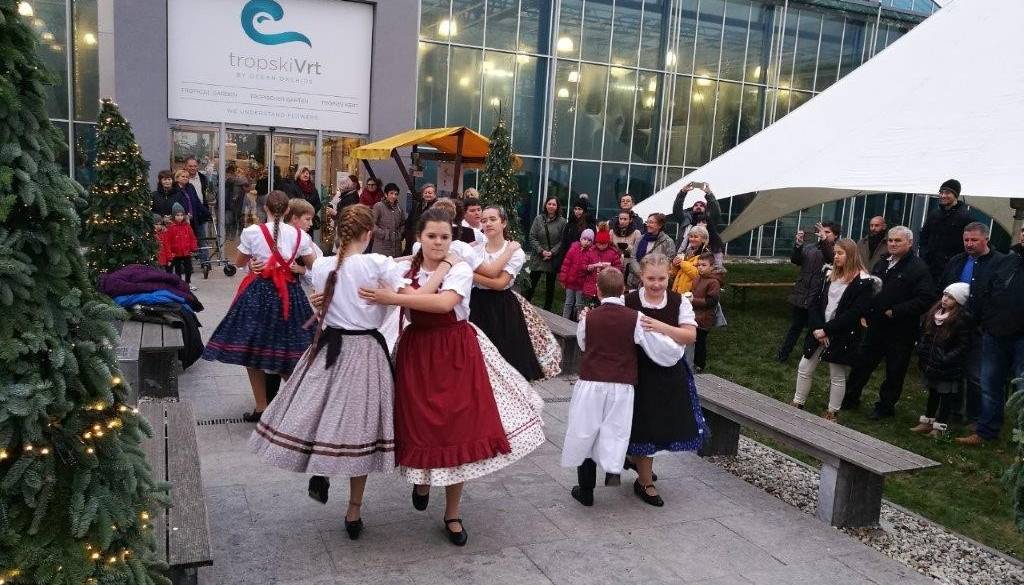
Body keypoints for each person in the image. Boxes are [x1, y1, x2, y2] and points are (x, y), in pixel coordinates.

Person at [358, 207, 545, 546]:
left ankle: (453, 513)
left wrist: (393, 296)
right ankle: (423, 479)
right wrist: (330, 290)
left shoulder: (459, 267)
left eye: (445, 236)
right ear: (419, 238)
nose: (438, 242)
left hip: (454, 351)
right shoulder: (408, 265)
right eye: (431, 236)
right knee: (420, 424)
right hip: (417, 351)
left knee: (458, 429)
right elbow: (362, 273)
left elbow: (444, 304)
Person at [249, 205, 408, 540]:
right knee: (361, 430)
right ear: (369, 234)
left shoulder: (322, 266)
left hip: (328, 348)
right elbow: (406, 294)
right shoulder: (377, 263)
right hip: (365, 350)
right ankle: (353, 509)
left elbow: (324, 295)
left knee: (321, 412)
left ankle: (322, 469)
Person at [561, 267, 685, 507]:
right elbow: (656, 346)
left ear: (597, 290)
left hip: (591, 383)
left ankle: (586, 490)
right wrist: (676, 349)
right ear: (623, 290)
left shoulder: (588, 317)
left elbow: (584, 344)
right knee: (616, 432)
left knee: (585, 431)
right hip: (621, 385)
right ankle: (612, 476)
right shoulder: (635, 318)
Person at [202, 191, 319, 422]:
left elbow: (239, 263)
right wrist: (299, 269)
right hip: (289, 296)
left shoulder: (252, 232)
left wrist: (253, 265)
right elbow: (315, 266)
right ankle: (299, 404)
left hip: (259, 295)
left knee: (252, 351)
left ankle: (261, 406)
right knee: (290, 351)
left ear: (264, 208)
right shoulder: (300, 236)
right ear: (288, 210)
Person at [620, 255, 707, 505]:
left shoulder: (679, 302)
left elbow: (689, 336)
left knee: (659, 424)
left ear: (669, 275)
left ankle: (636, 463)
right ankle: (645, 481)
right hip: (636, 371)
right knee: (642, 425)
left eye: (661, 279)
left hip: (668, 372)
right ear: (641, 277)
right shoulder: (629, 300)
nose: (656, 284)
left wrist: (658, 326)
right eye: (651, 279)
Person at [842, 226, 935, 419]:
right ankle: (850, 398)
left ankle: (885, 407)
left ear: (909, 243)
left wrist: (896, 311)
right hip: (875, 325)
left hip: (901, 330)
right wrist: (865, 311)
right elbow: (872, 288)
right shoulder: (883, 262)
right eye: (890, 240)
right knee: (862, 363)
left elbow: (926, 299)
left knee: (895, 371)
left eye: (897, 241)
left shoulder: (918, 268)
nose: (892, 244)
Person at [791, 239, 875, 421]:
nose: (835, 257)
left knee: (837, 374)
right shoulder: (828, 275)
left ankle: (832, 412)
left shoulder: (863, 282)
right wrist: (817, 328)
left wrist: (827, 330)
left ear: (851, 255)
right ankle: (797, 402)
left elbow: (854, 313)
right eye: (835, 253)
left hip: (841, 334)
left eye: (840, 253)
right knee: (804, 367)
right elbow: (814, 302)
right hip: (819, 330)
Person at [956, 238, 1024, 445]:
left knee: (1021, 388)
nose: (1022, 236)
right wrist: (983, 319)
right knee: (990, 384)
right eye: (1023, 231)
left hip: (1021, 337)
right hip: (995, 332)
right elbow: (986, 289)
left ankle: (1020, 438)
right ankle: (986, 431)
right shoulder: (1008, 261)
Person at [938, 222, 1003, 425]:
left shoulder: (1000, 263)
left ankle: (976, 418)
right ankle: (953, 412)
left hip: (981, 328)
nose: (969, 244)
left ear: (986, 239)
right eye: (966, 240)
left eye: (974, 240)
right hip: (954, 325)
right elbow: (943, 287)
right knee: (954, 371)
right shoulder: (957, 261)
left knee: (976, 375)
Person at [470, 206, 545, 381]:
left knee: (505, 356)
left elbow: (500, 283)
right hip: (477, 303)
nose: (488, 223)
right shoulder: (475, 250)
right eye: (484, 220)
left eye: (492, 219)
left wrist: (470, 274)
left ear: (503, 223)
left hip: (502, 307)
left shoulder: (515, 251)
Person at [911, 283, 973, 439]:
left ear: (959, 301)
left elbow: (963, 345)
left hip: (948, 367)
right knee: (933, 392)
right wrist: (923, 350)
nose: (945, 299)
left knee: (945, 396)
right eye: (945, 295)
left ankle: (940, 426)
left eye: (951, 297)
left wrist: (947, 358)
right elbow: (926, 335)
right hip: (932, 363)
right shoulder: (935, 314)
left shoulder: (961, 320)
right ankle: (928, 420)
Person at [776, 222, 839, 363]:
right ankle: (783, 354)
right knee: (795, 327)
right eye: (822, 231)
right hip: (802, 292)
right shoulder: (810, 247)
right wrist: (798, 244)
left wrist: (825, 241)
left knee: (813, 330)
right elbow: (796, 260)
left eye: (827, 232)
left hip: (819, 296)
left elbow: (831, 258)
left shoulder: (837, 251)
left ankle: (807, 357)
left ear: (835, 236)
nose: (823, 234)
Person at [920, 179, 973, 286]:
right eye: (941, 192)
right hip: (930, 267)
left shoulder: (965, 217)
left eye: (947, 193)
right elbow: (924, 236)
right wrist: (924, 254)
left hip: (951, 270)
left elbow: (969, 243)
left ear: (956, 195)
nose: (943, 195)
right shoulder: (935, 214)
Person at [526, 197, 568, 311]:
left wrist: (552, 252)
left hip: (552, 259)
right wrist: (541, 251)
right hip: (538, 257)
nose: (551, 206)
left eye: (554, 204)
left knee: (550, 287)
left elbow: (562, 240)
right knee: (531, 285)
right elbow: (532, 236)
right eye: (549, 204)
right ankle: (525, 308)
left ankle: (547, 311)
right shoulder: (538, 219)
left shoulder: (562, 222)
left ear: (557, 207)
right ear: (545, 205)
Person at [672, 182, 725, 266]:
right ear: (692, 208)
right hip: (683, 257)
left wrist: (709, 193)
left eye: (701, 205)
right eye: (696, 205)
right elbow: (676, 209)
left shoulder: (709, 221)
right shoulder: (685, 220)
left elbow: (716, 211)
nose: (698, 206)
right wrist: (683, 192)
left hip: (704, 260)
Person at [690, 253, 723, 373]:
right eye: (699, 265)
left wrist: (694, 300)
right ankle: (691, 362)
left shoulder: (713, 282)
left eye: (704, 265)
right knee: (693, 340)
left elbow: (712, 301)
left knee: (700, 342)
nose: (700, 267)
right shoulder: (697, 278)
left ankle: (699, 364)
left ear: (712, 266)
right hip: (694, 315)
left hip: (704, 318)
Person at [627, 213, 675, 290]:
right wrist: (641, 273)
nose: (648, 225)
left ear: (660, 225)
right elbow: (633, 257)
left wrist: (650, 274)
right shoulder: (640, 239)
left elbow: (668, 262)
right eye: (647, 222)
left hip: (655, 283)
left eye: (651, 222)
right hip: (636, 281)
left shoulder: (668, 242)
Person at [581, 226, 624, 305]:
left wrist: (610, 268)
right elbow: (582, 266)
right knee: (586, 307)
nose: (601, 246)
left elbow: (619, 269)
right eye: (599, 243)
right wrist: (588, 268)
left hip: (606, 289)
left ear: (608, 243)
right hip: (590, 288)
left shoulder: (613, 253)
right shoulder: (590, 251)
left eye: (603, 244)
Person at [171, 169, 211, 250]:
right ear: (177, 178)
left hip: (195, 218)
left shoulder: (190, 187)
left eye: (187, 177)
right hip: (182, 221)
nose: (185, 178)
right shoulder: (174, 190)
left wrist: (207, 213)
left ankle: (203, 258)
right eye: (183, 176)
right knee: (186, 243)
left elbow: (197, 202)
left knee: (201, 241)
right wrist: (184, 215)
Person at [559, 229, 593, 321]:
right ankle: (564, 320)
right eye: (585, 239)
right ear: (581, 239)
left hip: (581, 284)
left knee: (579, 305)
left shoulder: (591, 252)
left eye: (589, 240)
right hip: (570, 282)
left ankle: (579, 322)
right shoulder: (573, 248)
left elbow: (589, 269)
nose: (586, 242)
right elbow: (566, 264)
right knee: (568, 303)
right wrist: (563, 279)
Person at [557, 196, 595, 272]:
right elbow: (564, 242)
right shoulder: (570, 224)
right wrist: (561, 261)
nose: (577, 211)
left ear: (584, 210)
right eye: (575, 209)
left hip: (584, 259)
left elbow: (593, 243)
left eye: (580, 209)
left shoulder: (590, 224)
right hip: (570, 258)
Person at [671, 225, 711, 294]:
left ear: (703, 239)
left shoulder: (706, 254)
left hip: (692, 294)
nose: (692, 239)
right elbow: (675, 274)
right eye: (691, 236)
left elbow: (699, 275)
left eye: (696, 237)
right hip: (678, 292)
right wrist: (674, 265)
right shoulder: (687, 252)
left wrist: (682, 263)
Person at [165, 203, 198, 287]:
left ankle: (187, 283)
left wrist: (193, 248)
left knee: (188, 268)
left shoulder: (187, 226)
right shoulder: (171, 227)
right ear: (173, 216)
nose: (180, 217)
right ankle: (179, 283)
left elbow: (192, 237)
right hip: (176, 253)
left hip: (186, 251)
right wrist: (170, 253)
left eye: (181, 215)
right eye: (177, 215)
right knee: (178, 269)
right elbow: (167, 241)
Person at [371, 182, 405, 257]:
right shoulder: (379, 206)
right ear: (386, 194)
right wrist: (383, 234)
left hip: (396, 246)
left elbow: (403, 223)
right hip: (382, 246)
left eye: (396, 194)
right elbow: (371, 224)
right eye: (391, 193)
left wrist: (399, 234)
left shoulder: (399, 208)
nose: (394, 196)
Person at [403, 184, 437, 255]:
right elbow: (409, 221)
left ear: (435, 194)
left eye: (430, 193)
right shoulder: (417, 205)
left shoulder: (437, 207)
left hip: (428, 241)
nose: (427, 194)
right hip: (414, 238)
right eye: (425, 193)